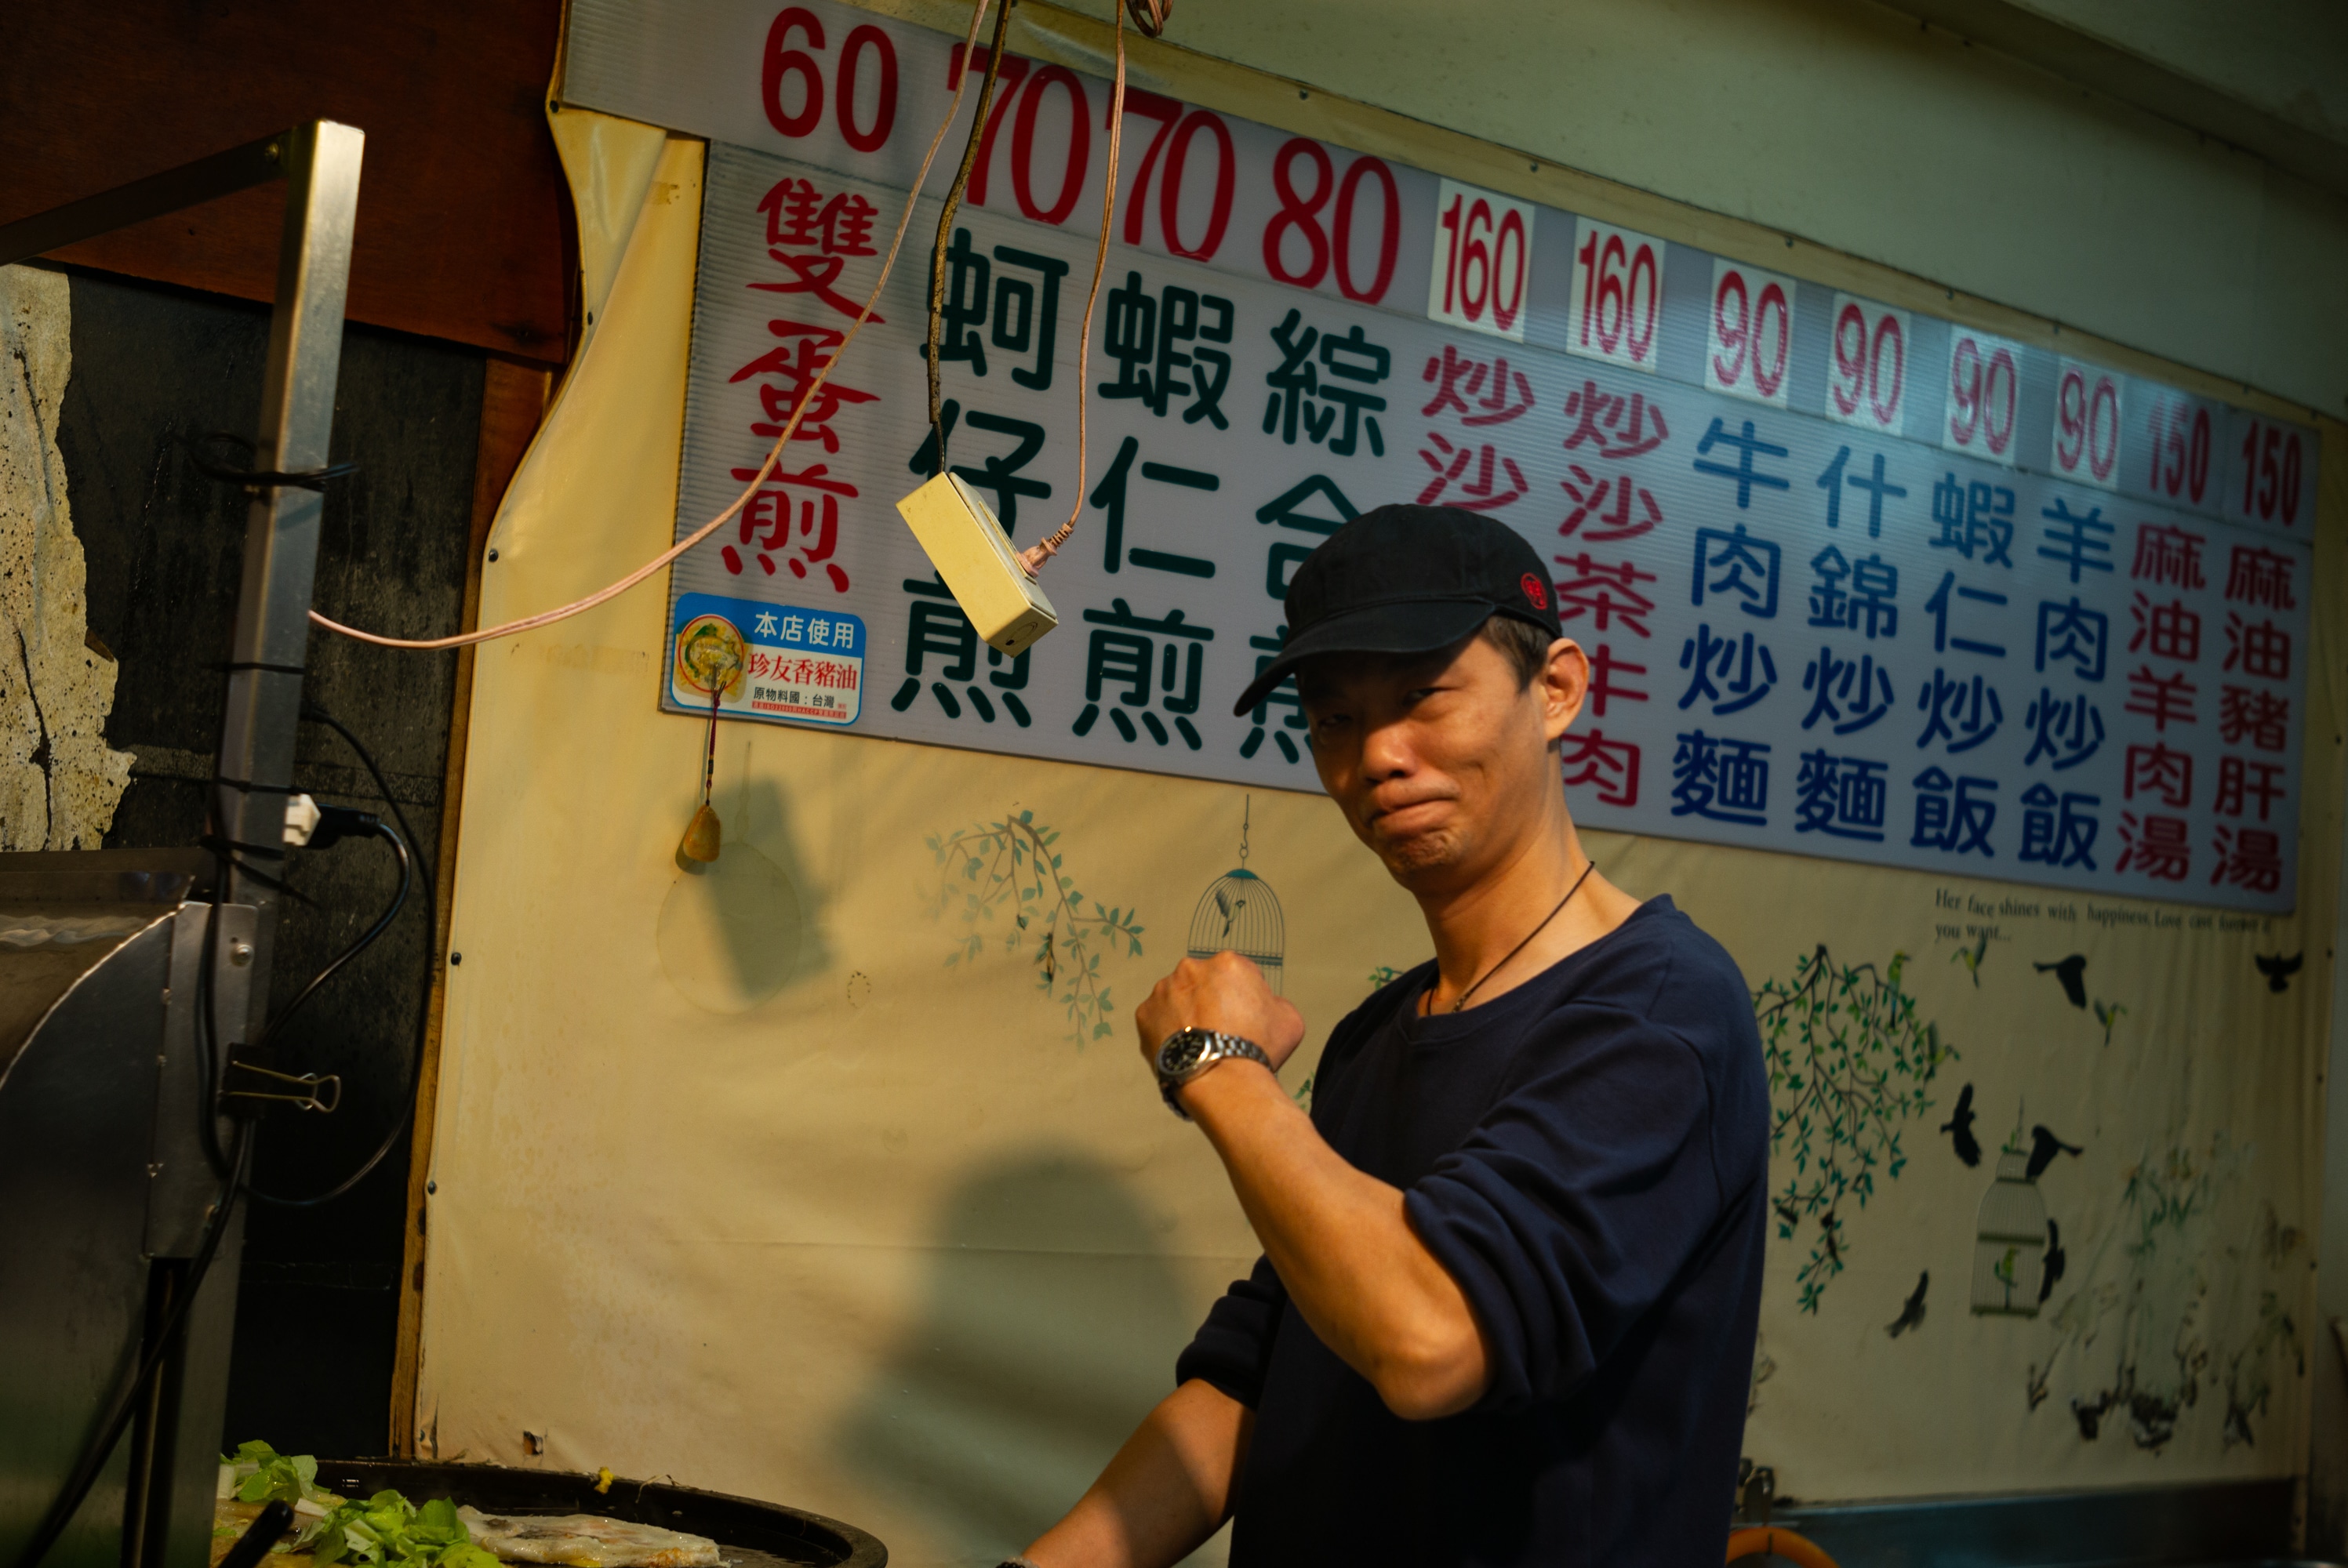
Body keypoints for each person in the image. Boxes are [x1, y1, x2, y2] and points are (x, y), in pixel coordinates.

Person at [1012, 505, 1769, 1568]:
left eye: (1421, 698)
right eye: (1332, 720)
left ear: (1554, 690)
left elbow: (1432, 1339)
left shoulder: (1656, 1008)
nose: (1375, 756)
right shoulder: (1381, 1033)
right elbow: (1256, 1382)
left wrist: (1214, 1067)